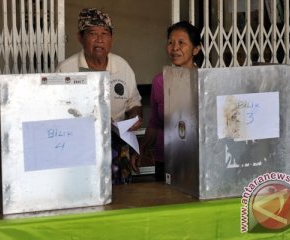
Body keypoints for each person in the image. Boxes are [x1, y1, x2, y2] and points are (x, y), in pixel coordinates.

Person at [56, 8, 143, 183]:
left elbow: (134, 103)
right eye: (92, 34)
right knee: (81, 192)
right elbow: (56, 111)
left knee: (122, 199)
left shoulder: (122, 67)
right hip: (79, 146)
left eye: (104, 33)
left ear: (111, 38)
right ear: (80, 38)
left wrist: (135, 117)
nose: (99, 40)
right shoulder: (66, 70)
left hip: (117, 144)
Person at [131, 21, 202, 181]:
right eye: (170, 42)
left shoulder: (204, 82)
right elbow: (155, 123)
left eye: (181, 43)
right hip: (166, 161)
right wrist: (141, 149)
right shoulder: (159, 81)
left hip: (198, 160)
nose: (174, 48)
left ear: (196, 49)